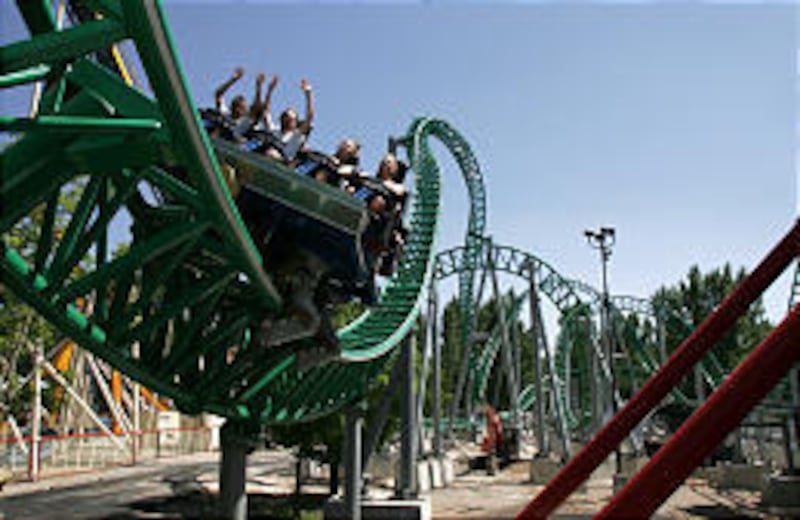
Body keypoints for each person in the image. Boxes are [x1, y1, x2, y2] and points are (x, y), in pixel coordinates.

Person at [258, 76, 315, 164]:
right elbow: (266, 112)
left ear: (295, 122)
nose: (287, 120)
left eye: (290, 119)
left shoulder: (296, 135)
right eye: (285, 116)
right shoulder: (274, 130)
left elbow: (309, 117)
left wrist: (308, 94)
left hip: (283, 162)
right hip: (266, 155)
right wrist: (269, 90)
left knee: (271, 154)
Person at [213, 67, 259, 143]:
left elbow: (256, 109)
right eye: (236, 106)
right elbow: (218, 95)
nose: (238, 110)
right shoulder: (225, 113)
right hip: (218, 139)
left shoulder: (245, 122)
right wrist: (233, 80)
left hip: (233, 143)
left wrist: (258, 88)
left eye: (241, 108)